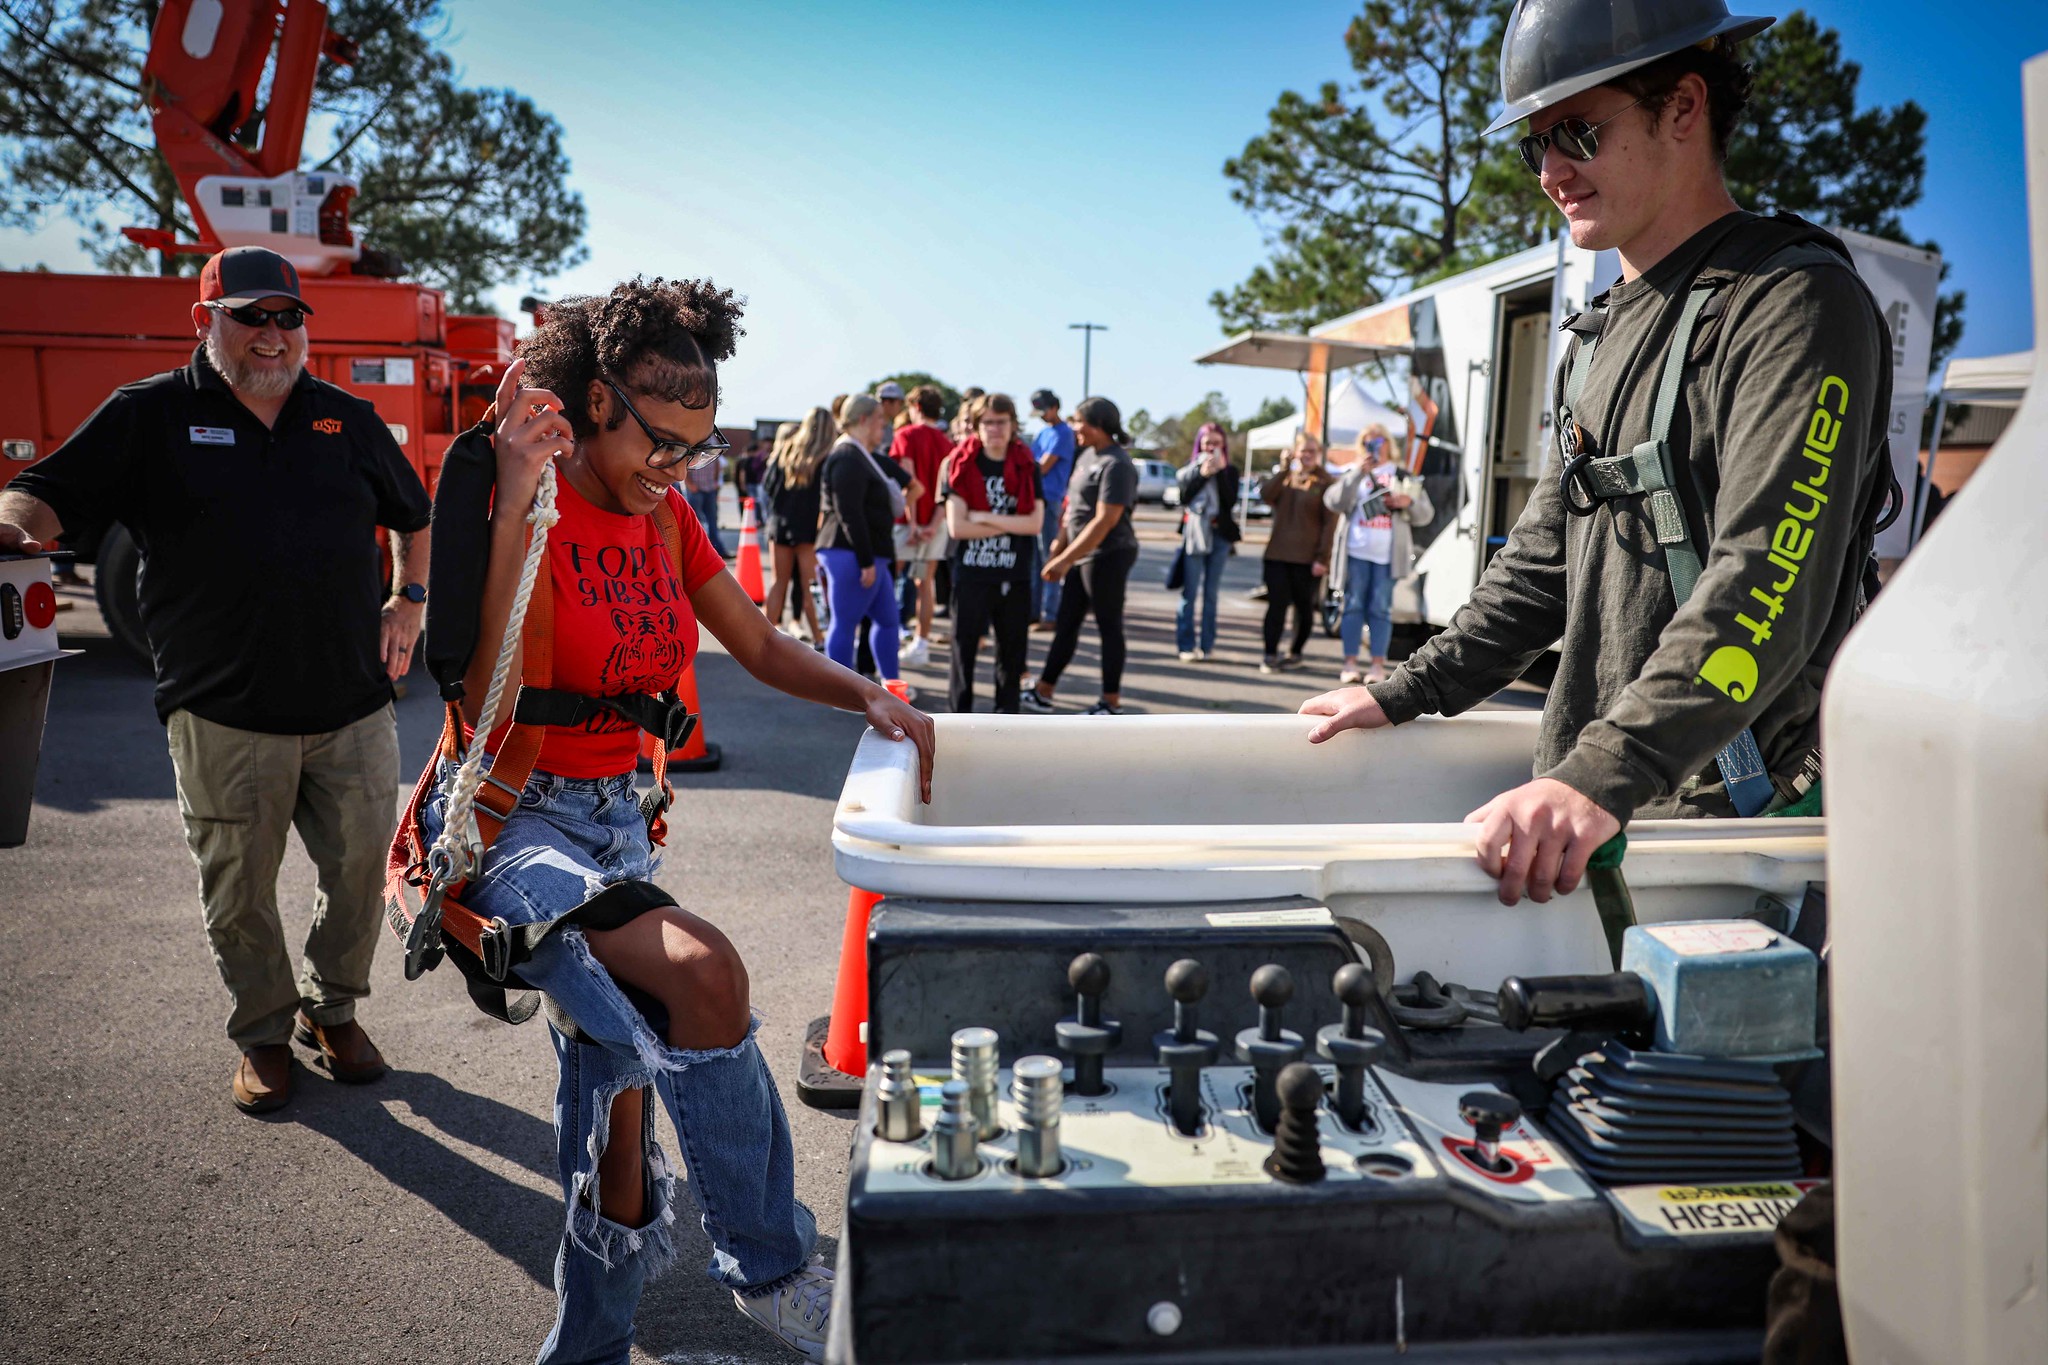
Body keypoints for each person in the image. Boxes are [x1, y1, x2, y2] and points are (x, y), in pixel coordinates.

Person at [418, 278, 934, 1362]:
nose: (678, 468)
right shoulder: (526, 493)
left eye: (696, 449)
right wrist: (514, 498)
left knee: (612, 1119)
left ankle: (587, 1346)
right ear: (596, 400)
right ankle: (773, 1269)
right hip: (517, 828)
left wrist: (868, 694)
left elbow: (756, 643)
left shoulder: (670, 516)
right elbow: (484, 687)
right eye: (661, 441)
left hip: (618, 827)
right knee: (702, 972)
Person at [1303, 1, 1895, 911]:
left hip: (1738, 838)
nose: (1550, 171)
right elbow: (1543, 562)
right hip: (1599, 821)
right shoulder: (1595, 335)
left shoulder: (1793, 304)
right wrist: (1407, 690)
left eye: (1578, 129)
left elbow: (1769, 577)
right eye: (1533, 144)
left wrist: (1600, 776)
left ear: (1685, 107)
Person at [0, 245, 430, 1114]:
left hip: (350, 705)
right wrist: (9, 529)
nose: (273, 335)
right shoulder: (149, 415)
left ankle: (330, 1008)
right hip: (222, 712)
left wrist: (408, 599)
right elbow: (38, 492)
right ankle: (265, 1033)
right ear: (207, 321)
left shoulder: (344, 419)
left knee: (358, 877)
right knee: (238, 889)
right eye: (251, 316)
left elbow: (413, 517)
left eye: (288, 318)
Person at [1025, 397, 1140, 716]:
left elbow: (1105, 520)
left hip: (1108, 554)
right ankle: (1043, 692)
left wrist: (1064, 560)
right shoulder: (1087, 454)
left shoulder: (1117, 463)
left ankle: (1111, 702)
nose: (1074, 427)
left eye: (1079, 421)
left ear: (1099, 424)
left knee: (1109, 626)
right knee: (1066, 624)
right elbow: (1072, 507)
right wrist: (1060, 543)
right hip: (1082, 554)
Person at [940, 393, 1043, 713]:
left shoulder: (1027, 465)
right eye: (988, 422)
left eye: (1002, 422)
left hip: (1015, 574)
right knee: (963, 654)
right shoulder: (958, 464)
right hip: (971, 573)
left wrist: (984, 517)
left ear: (1013, 425)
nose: (995, 428)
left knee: (1011, 658)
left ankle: (1007, 725)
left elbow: (1035, 524)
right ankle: (958, 721)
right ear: (976, 426)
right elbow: (958, 528)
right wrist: (1012, 524)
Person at [818, 393, 917, 685]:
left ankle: (892, 685)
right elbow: (849, 514)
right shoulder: (847, 457)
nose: (883, 426)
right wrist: (865, 561)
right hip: (852, 554)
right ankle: (839, 691)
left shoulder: (859, 456)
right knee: (846, 622)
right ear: (863, 420)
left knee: (888, 620)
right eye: (879, 419)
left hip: (870, 555)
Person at [1324, 426, 1432, 685]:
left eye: (1379, 440)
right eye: (1367, 441)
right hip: (1356, 552)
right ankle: (1349, 663)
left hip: (1387, 557)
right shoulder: (1354, 471)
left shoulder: (1403, 475)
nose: (1374, 445)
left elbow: (1426, 515)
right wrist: (1355, 475)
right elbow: (1333, 502)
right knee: (1352, 606)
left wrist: (1409, 503)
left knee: (1381, 610)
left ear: (1388, 443)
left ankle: (1377, 666)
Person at [1258, 430, 1334, 673]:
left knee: (1304, 609)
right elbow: (1265, 495)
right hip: (1277, 555)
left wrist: (1322, 558)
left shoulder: (1325, 483)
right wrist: (1282, 468)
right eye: (1303, 451)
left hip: (1308, 559)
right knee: (1276, 607)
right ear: (1295, 452)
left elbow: (1329, 525)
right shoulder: (1285, 478)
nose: (1307, 456)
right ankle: (1270, 654)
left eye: (1312, 451)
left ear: (1319, 454)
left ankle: (1295, 652)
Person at [888, 385, 952, 667]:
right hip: (936, 524)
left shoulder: (905, 435)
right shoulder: (947, 442)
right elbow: (948, 489)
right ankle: (921, 643)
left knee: (887, 578)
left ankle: (885, 639)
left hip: (907, 524)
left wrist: (914, 524)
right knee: (925, 584)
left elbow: (909, 481)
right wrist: (932, 523)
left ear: (915, 407)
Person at [1174, 421, 1240, 662]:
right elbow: (1184, 498)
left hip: (1219, 534)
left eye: (1216, 443)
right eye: (1207, 442)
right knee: (1190, 592)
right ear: (1199, 443)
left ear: (1223, 445)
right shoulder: (1190, 469)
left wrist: (1220, 473)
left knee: (1211, 594)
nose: (1211, 447)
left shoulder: (1230, 471)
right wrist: (1202, 476)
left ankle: (1207, 644)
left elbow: (1230, 502)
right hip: (1195, 534)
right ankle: (1185, 644)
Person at [763, 411, 831, 643]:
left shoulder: (787, 449)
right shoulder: (825, 457)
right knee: (811, 586)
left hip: (781, 522)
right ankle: (819, 639)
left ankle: (761, 638)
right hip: (809, 528)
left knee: (778, 582)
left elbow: (769, 486)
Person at [1028, 389, 1076, 629]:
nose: (1041, 417)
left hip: (1050, 499)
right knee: (1035, 559)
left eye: (1044, 410)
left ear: (1055, 407)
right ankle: (1034, 611)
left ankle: (1051, 613)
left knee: (1050, 555)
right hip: (1036, 500)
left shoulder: (1064, 433)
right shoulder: (1043, 433)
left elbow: (1041, 467)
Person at [682, 425, 731, 559]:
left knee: (712, 520)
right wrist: (690, 484)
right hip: (696, 488)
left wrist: (715, 482)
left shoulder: (714, 437)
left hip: (709, 487)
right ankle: (697, 554)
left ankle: (715, 550)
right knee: (694, 522)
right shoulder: (692, 434)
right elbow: (684, 460)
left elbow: (716, 461)